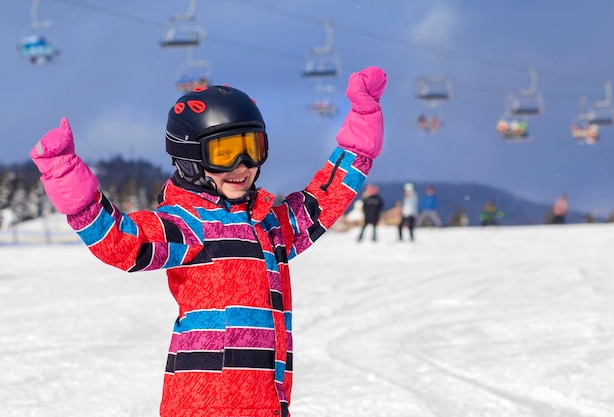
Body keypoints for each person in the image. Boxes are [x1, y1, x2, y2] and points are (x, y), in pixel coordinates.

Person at [30, 67, 387, 417]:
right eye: (224, 152)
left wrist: (362, 123)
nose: (242, 164)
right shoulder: (188, 225)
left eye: (251, 147)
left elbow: (324, 199)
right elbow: (123, 243)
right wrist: (68, 181)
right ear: (190, 158)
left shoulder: (269, 227)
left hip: (267, 402)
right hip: (203, 405)